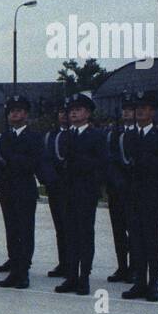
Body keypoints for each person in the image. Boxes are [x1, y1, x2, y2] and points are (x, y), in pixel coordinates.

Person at [119, 91, 158, 301]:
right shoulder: (129, 136)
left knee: (152, 241)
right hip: (133, 196)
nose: (140, 111)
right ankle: (139, 281)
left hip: (152, 195)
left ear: (153, 111)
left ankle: (153, 283)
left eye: (145, 108)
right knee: (135, 241)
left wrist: (146, 161)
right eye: (137, 108)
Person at [53, 93, 108, 296]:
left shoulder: (97, 136)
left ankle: (84, 277)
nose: (73, 113)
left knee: (85, 235)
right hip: (67, 192)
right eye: (71, 110)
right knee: (70, 235)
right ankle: (71, 275)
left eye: (78, 109)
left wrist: (80, 162)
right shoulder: (65, 135)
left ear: (88, 113)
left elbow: (102, 164)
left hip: (85, 191)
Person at [0, 95, 41, 289]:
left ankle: (23, 271)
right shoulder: (2, 138)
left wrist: (15, 161)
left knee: (25, 231)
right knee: (11, 231)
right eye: (11, 111)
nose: (14, 114)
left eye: (19, 111)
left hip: (25, 190)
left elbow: (35, 161)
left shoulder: (34, 137)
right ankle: (14, 268)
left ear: (26, 115)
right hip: (7, 190)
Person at [105, 95, 137, 283]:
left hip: (133, 190)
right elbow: (109, 160)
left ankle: (134, 267)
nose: (126, 112)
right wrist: (115, 181)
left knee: (133, 230)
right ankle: (122, 266)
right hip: (116, 190)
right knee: (118, 230)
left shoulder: (139, 134)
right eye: (124, 109)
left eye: (130, 109)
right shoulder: (113, 133)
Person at [44, 105, 71, 277]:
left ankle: (74, 264)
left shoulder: (74, 135)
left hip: (72, 188)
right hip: (55, 187)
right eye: (61, 112)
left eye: (67, 113)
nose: (64, 116)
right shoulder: (50, 136)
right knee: (60, 228)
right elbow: (44, 159)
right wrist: (49, 179)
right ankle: (63, 262)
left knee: (73, 228)